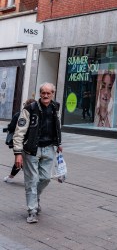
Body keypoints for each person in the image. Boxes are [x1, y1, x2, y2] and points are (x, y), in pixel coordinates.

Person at [12, 83, 62, 224]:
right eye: (43, 93)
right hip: (31, 150)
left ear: (53, 94)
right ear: (40, 93)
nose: (45, 95)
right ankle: (32, 210)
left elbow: (57, 125)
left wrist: (59, 143)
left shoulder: (55, 107)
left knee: (45, 178)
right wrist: (18, 153)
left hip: (49, 148)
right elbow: (19, 131)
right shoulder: (29, 109)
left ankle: (35, 198)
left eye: (48, 93)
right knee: (31, 181)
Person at [4, 98, 35, 183]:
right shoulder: (37, 116)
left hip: (20, 141)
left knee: (20, 160)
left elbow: (11, 127)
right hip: (33, 142)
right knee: (28, 161)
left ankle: (11, 177)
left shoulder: (19, 114)